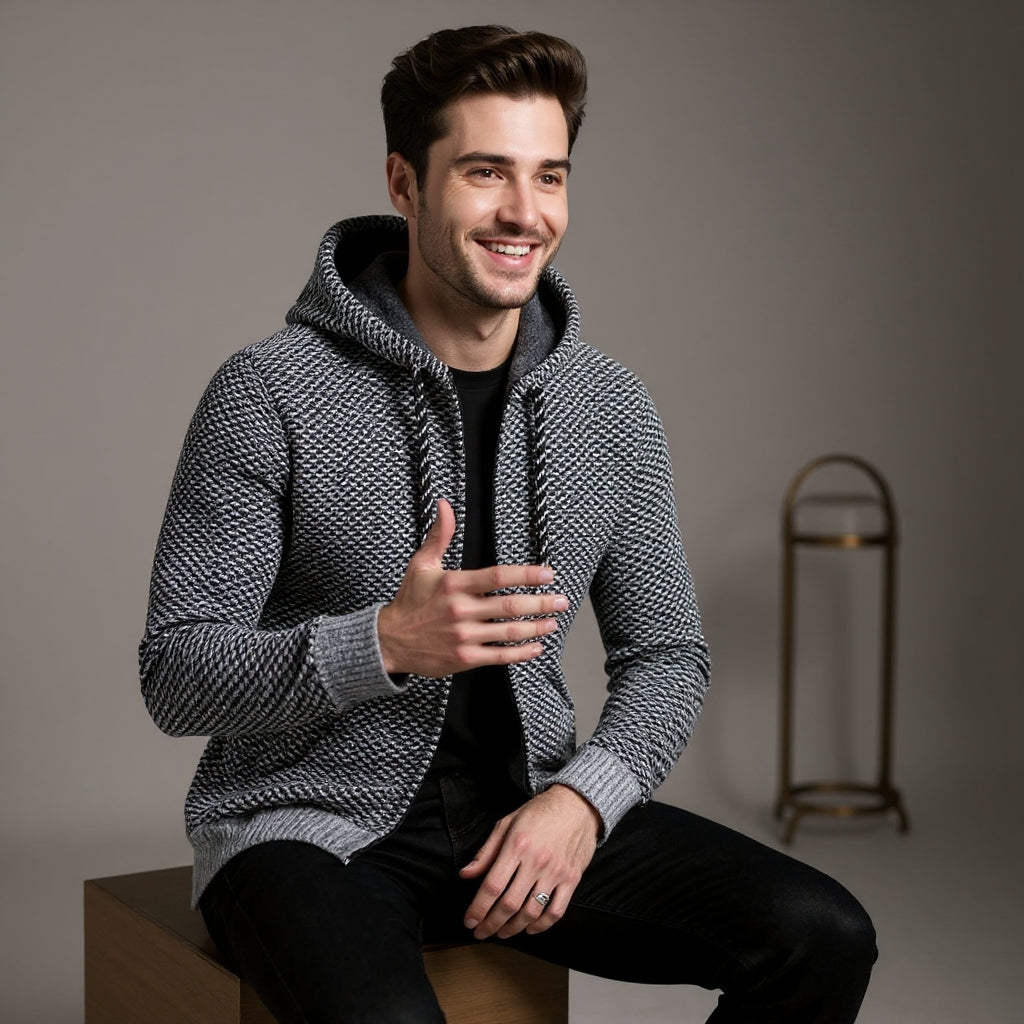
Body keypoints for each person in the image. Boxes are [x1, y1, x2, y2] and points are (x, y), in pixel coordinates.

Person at [140, 24, 876, 1023]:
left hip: (526, 813)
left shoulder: (609, 407)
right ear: (404, 183)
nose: (525, 213)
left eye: (550, 177)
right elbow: (176, 671)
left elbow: (668, 656)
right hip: (306, 828)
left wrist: (583, 800)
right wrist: (383, 644)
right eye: (486, 172)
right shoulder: (268, 391)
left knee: (822, 934)